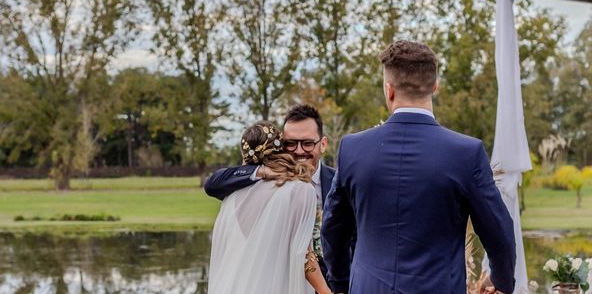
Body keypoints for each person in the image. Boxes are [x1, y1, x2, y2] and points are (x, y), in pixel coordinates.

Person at [321, 40, 516, 294]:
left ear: (389, 90)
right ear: (435, 86)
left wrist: (340, 283)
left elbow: (333, 228)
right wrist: (502, 284)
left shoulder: (352, 149)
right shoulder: (466, 153)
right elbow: (499, 233)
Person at [204, 104, 346, 285]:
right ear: (280, 146)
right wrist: (261, 172)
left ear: (323, 144)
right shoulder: (263, 185)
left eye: (308, 143)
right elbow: (212, 183)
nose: (299, 151)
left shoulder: (340, 182)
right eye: (291, 143)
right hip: (282, 282)